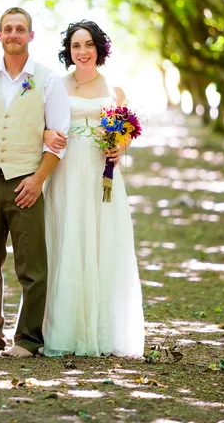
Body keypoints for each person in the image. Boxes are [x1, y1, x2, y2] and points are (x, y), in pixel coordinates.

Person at [0, 7, 70, 357]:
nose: (13, 34)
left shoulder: (48, 80)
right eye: (8, 28)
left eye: (20, 29)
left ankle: (28, 340)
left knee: (32, 266)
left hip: (26, 180)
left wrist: (38, 180)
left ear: (31, 36)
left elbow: (59, 138)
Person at [43, 20, 145, 357]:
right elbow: (44, 126)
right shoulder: (57, 86)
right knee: (67, 239)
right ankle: (64, 328)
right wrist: (47, 135)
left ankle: (101, 330)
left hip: (101, 178)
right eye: (76, 46)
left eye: (88, 45)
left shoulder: (114, 90)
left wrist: (121, 147)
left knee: (102, 243)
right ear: (68, 51)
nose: (82, 52)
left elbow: (127, 132)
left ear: (99, 48)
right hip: (67, 173)